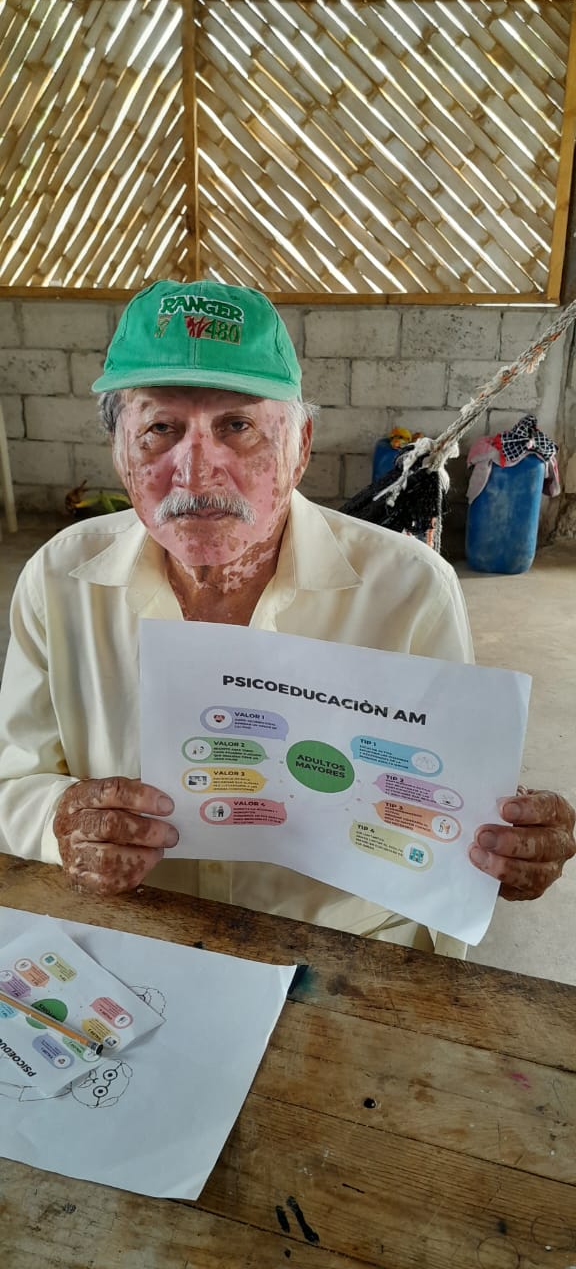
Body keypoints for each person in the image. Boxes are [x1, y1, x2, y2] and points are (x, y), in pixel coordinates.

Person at [0, 279, 573, 957]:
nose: (197, 472)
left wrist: (503, 846)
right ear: (119, 450)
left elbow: (448, 811)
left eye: (237, 427)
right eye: (160, 428)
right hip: (137, 938)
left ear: (300, 444)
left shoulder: (411, 590)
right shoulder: (60, 578)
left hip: (341, 951)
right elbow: (15, 781)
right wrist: (59, 821)